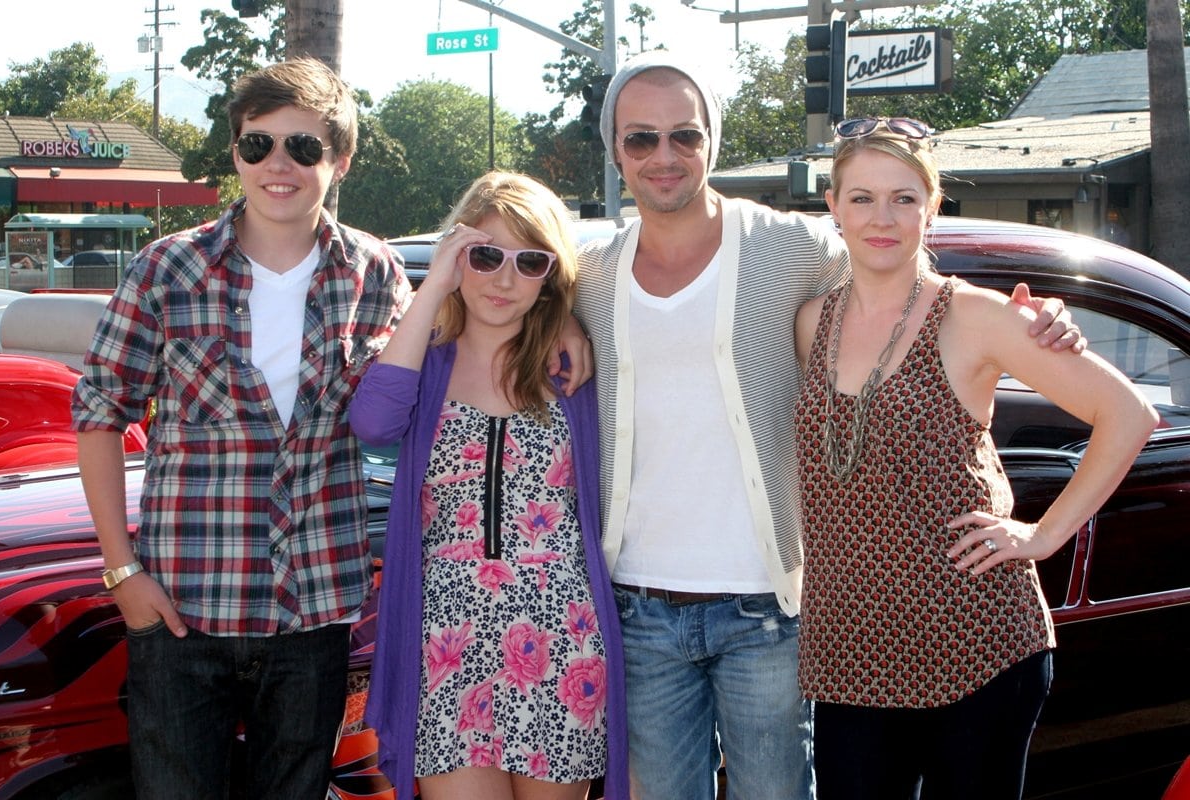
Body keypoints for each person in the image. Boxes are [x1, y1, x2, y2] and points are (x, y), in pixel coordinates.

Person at [574, 51, 1087, 800]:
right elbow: (503, 320)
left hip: (773, 612)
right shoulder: (588, 273)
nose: (664, 155)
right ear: (615, 150)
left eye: (684, 135)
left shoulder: (790, 245)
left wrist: (1041, 325)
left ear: (712, 140)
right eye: (640, 138)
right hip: (639, 611)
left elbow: (903, 285)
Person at [72, 57, 411, 800]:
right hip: (183, 608)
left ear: (341, 161)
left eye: (303, 147)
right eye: (258, 146)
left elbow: (429, 386)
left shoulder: (376, 274)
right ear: (236, 154)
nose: (277, 165)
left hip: (316, 611)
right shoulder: (169, 269)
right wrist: (122, 573)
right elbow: (98, 412)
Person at [793, 118, 1158, 800]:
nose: (883, 218)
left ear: (932, 208)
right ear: (833, 207)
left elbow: (1129, 414)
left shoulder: (980, 316)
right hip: (848, 653)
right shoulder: (812, 321)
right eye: (863, 197)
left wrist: (1043, 535)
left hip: (977, 645)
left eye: (904, 198)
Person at [349, 171, 628, 800]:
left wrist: (570, 321)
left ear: (550, 275)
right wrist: (433, 289)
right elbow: (372, 422)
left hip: (564, 641)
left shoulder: (571, 369)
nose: (504, 279)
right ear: (457, 255)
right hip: (447, 639)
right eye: (485, 255)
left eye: (530, 261)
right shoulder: (428, 359)